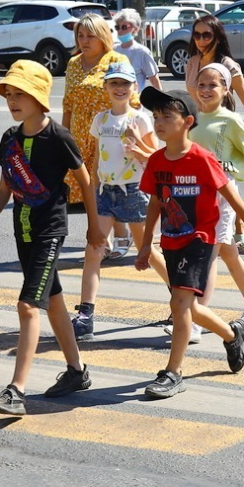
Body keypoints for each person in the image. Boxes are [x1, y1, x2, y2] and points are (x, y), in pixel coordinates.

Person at [0, 61, 99, 417]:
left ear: (39, 97)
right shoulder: (10, 139)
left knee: (28, 306)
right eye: (9, 94)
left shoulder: (58, 136)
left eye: (19, 93)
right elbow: (3, 190)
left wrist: (95, 227)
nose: (12, 100)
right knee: (53, 301)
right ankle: (76, 372)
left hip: (49, 230)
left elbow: (84, 181)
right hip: (22, 230)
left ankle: (16, 390)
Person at [133, 87, 244, 398]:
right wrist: (145, 246)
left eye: (168, 116)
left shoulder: (201, 159)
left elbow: (230, 194)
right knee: (189, 307)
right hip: (171, 240)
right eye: (156, 117)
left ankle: (173, 372)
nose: (159, 122)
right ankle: (231, 334)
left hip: (200, 239)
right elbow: (154, 203)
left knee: (179, 304)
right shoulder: (156, 161)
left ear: (188, 121)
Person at [73, 59, 163, 339]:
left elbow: (155, 158)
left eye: (124, 83)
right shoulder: (100, 119)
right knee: (94, 250)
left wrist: (137, 142)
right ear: (106, 87)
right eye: (114, 83)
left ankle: (181, 300)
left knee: (145, 249)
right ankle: (86, 314)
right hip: (106, 192)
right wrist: (94, 186)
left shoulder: (140, 118)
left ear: (134, 87)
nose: (119, 88)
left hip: (134, 191)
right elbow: (99, 156)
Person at [189, 62, 244, 329]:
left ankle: (194, 320)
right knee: (228, 253)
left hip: (221, 194)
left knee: (209, 253)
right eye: (201, 84)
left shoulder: (230, 120)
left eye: (212, 85)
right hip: (195, 193)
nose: (206, 90)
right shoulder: (192, 116)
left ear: (226, 89)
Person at [184, 13, 244, 145]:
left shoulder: (228, 65)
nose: (200, 40)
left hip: (221, 130)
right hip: (197, 129)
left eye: (206, 35)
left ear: (218, 38)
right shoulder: (192, 63)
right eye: (197, 35)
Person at [62, 14, 122, 217]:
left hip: (107, 134)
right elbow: (67, 105)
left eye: (91, 36)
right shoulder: (73, 63)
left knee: (108, 188)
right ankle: (97, 235)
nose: (84, 41)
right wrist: (64, 138)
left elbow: (131, 102)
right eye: (81, 35)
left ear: (103, 36)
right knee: (86, 191)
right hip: (79, 137)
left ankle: (119, 237)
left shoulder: (116, 61)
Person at [112, 8, 163, 92]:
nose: (120, 31)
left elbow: (154, 79)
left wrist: (163, 101)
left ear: (135, 29)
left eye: (124, 27)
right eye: (117, 27)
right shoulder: (114, 50)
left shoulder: (142, 52)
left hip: (134, 102)